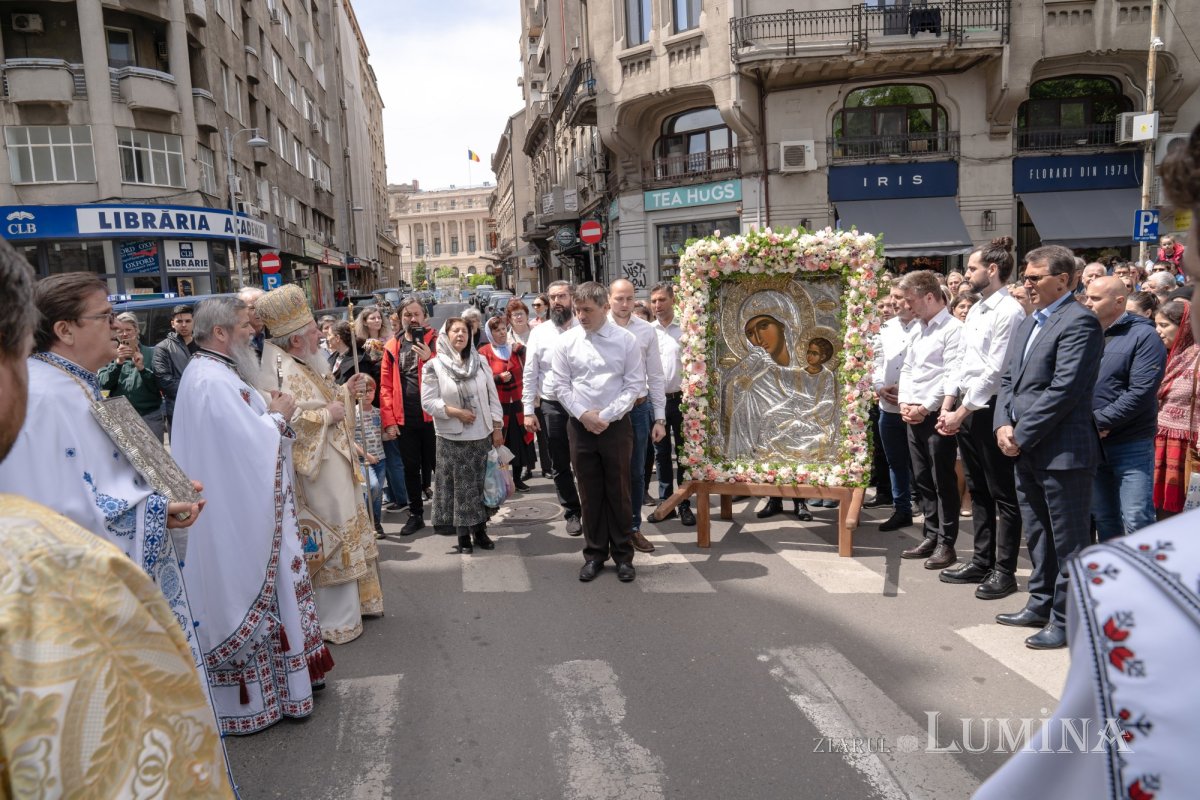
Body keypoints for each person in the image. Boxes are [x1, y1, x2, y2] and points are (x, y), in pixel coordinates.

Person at [0, 242, 231, 798]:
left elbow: (104, 485)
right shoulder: (48, 399)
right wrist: (156, 509)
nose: (119, 327)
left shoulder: (77, 385)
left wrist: (162, 499)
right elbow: (57, 524)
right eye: (105, 317)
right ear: (64, 330)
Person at [172, 296, 334, 734]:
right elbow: (246, 449)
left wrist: (268, 410)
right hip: (237, 516)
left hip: (250, 506)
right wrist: (277, 417)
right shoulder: (210, 380)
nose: (253, 332)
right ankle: (260, 701)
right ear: (221, 333)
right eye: (246, 325)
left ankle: (289, 686)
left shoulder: (215, 373)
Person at [255, 284, 384, 644]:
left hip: (335, 464)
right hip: (316, 474)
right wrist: (328, 415)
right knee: (330, 536)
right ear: (296, 341)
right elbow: (285, 419)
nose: (319, 335)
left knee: (347, 527)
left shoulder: (300, 360)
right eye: (313, 331)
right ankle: (335, 620)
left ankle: (358, 605)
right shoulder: (276, 371)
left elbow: (327, 398)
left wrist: (347, 388)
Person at [994, 245, 1104, 650]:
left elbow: (1065, 391)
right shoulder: (1028, 323)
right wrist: (1002, 424)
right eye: (1025, 277)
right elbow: (1009, 381)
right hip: (1026, 449)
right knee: (1039, 535)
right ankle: (1039, 604)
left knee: (1069, 541)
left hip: (1063, 454)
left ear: (1064, 279)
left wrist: (1021, 433)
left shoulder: (1080, 323)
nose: (1027, 284)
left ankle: (1067, 618)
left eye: (1034, 278)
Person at [936, 238, 1027, 599]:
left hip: (992, 409)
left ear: (992, 270)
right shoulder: (976, 308)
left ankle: (1004, 570)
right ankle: (981, 559)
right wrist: (949, 404)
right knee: (977, 489)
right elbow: (963, 361)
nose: (967, 274)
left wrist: (961, 410)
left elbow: (995, 371)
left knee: (1003, 492)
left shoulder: (1009, 312)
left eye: (972, 268)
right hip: (967, 406)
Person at [549, 282, 645, 583]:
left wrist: (606, 416)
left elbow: (633, 386)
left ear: (605, 308)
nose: (581, 316)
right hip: (581, 425)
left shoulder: (626, 340)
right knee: (589, 493)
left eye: (587, 310)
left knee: (619, 490)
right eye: (577, 310)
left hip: (615, 425)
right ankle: (593, 555)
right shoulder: (566, 342)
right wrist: (583, 415)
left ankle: (623, 555)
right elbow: (560, 386)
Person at [1081, 277, 1166, 541]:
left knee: (1136, 516)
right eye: (1087, 296)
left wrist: (1099, 423)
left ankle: (1147, 579)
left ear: (1119, 301)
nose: (1087, 303)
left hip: (1130, 443)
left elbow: (1140, 392)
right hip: (1094, 442)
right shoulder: (1086, 333)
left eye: (1095, 298)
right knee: (1104, 516)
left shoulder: (1144, 336)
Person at [897, 270, 963, 570]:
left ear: (929, 296)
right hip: (913, 411)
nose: (908, 306)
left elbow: (951, 374)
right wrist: (904, 402)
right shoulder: (918, 329)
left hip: (936, 413)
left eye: (911, 300)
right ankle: (931, 533)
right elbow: (908, 368)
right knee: (922, 478)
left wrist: (924, 407)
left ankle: (947, 543)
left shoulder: (953, 329)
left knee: (942, 480)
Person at [421, 318, 505, 553]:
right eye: (455, 331)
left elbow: (493, 397)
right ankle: (463, 538)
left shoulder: (480, 362)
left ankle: (480, 532)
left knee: (481, 485)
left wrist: (497, 428)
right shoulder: (433, 366)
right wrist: (455, 412)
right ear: (445, 336)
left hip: (481, 435)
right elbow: (428, 402)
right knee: (459, 489)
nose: (460, 335)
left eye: (464, 331)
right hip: (452, 438)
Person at [608, 278, 667, 553]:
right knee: (608, 472)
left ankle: (633, 528)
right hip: (608, 413)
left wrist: (659, 418)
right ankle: (608, 530)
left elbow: (655, 376)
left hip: (639, 410)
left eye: (629, 298)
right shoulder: (598, 328)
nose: (624, 304)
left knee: (635, 473)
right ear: (609, 299)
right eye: (619, 298)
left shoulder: (645, 331)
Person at [524, 281, 584, 535]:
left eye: (562, 296)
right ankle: (572, 511)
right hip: (553, 405)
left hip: (584, 405)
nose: (557, 301)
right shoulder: (540, 333)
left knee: (586, 459)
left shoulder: (586, 328)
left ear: (572, 298)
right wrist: (528, 409)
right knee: (560, 461)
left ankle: (592, 507)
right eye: (553, 297)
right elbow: (531, 372)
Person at [380, 296, 438, 535]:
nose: (412, 319)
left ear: (424, 317)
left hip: (436, 417)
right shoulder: (392, 346)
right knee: (410, 469)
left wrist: (430, 358)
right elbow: (385, 387)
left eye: (416, 314)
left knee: (440, 466)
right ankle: (416, 514)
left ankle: (447, 512)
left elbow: (453, 370)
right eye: (407, 315)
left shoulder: (437, 341)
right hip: (406, 419)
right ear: (400, 318)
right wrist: (389, 420)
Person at [328, 321, 388, 536]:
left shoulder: (358, 359)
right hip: (347, 426)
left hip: (358, 417)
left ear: (339, 337)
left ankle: (375, 522)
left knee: (376, 489)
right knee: (370, 486)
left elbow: (363, 385)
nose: (325, 337)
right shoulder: (332, 359)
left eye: (329, 333)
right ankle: (367, 520)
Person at [647, 281, 695, 526]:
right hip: (656, 402)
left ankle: (684, 503)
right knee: (661, 453)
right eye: (653, 301)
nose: (657, 305)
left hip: (681, 402)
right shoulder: (647, 331)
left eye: (661, 300)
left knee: (684, 454)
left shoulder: (685, 330)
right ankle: (665, 503)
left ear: (673, 301)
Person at [872, 285, 919, 530]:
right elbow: (878, 360)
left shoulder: (925, 325)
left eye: (898, 298)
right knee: (895, 461)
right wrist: (880, 386)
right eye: (891, 297)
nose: (893, 303)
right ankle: (901, 509)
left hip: (918, 407)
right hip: (888, 406)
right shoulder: (887, 328)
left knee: (921, 463)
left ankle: (926, 508)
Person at [1152, 299, 1199, 518]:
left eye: (1164, 325)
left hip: (1188, 445)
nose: (1158, 331)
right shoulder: (1161, 355)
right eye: (1156, 324)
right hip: (1158, 440)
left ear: (1184, 326)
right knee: (1159, 510)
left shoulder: (1197, 356)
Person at [479, 315, 532, 492]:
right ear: (490, 333)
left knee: (519, 444)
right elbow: (480, 380)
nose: (501, 333)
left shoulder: (517, 350)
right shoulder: (484, 353)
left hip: (517, 403)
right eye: (496, 330)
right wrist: (497, 379)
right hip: (497, 407)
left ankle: (517, 479)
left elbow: (529, 373)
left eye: (503, 329)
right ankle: (502, 479)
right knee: (501, 444)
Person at [97, 310, 165, 439]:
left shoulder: (152, 354)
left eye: (128, 329)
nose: (124, 334)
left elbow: (158, 387)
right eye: (120, 330)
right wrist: (118, 364)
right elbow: (103, 384)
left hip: (149, 416)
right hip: (121, 416)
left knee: (153, 458)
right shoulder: (109, 355)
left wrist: (142, 369)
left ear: (137, 330)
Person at [153, 303, 199, 429]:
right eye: (179, 321)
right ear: (173, 323)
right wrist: (198, 389)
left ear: (194, 322)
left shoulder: (204, 345)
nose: (184, 325)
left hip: (204, 406)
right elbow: (164, 381)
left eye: (188, 321)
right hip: (178, 408)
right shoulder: (162, 348)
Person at [238, 286, 267, 358]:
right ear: (241, 311)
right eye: (252, 308)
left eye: (261, 306)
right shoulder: (236, 336)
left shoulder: (276, 333)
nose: (258, 311)